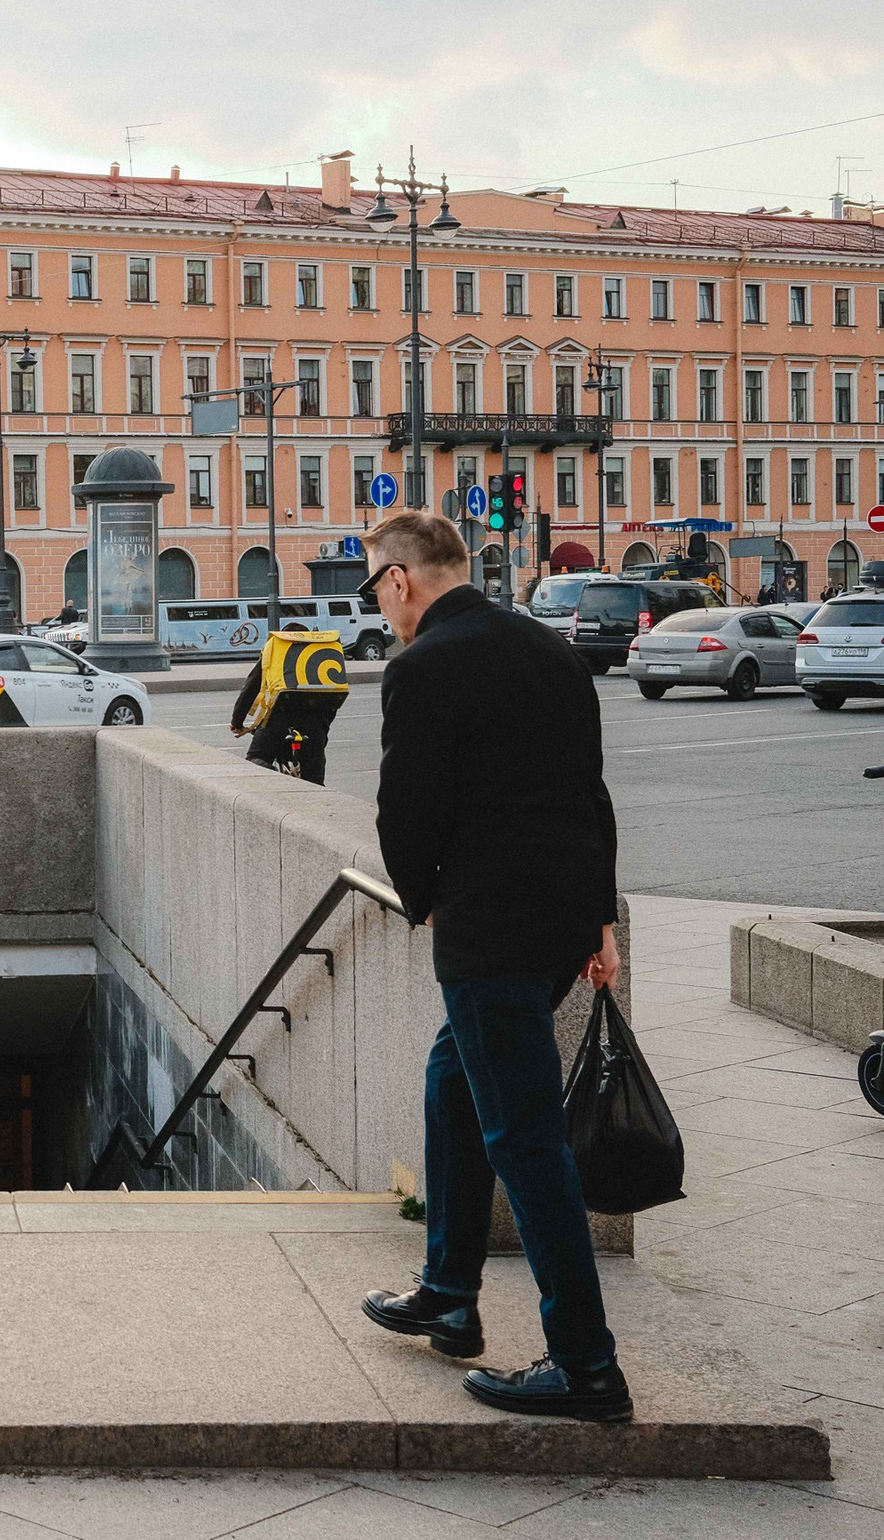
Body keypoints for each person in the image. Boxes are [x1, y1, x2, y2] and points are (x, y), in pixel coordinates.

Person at [356, 511, 631, 1422]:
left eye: (373, 587)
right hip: (557, 920)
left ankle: (587, 1365)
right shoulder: (549, 651)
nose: (378, 606)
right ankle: (449, 1290)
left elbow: (407, 814)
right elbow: (589, 793)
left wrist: (422, 895)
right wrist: (599, 918)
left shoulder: (423, 666)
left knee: (523, 1136)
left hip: (492, 925)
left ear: (400, 580)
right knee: (454, 1075)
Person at [227, 628, 348, 785]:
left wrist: (237, 722)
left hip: (279, 719)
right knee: (315, 780)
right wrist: (322, 729)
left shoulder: (276, 650)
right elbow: (333, 698)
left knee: (255, 758)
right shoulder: (320, 653)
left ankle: (271, 774)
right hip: (315, 724)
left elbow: (251, 688)